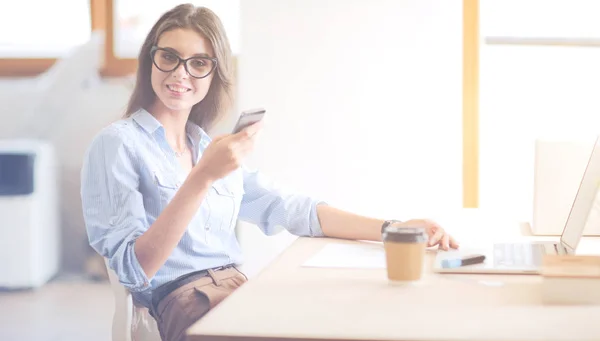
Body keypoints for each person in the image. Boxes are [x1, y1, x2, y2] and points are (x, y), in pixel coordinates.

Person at [80, 4, 459, 341]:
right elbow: (133, 268)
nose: (181, 73)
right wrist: (201, 179)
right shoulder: (118, 144)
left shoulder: (207, 146)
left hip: (239, 289)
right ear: (151, 59)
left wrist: (395, 229)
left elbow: (295, 209)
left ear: (214, 74)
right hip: (185, 302)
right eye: (170, 57)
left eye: (198, 63)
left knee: (355, 317)